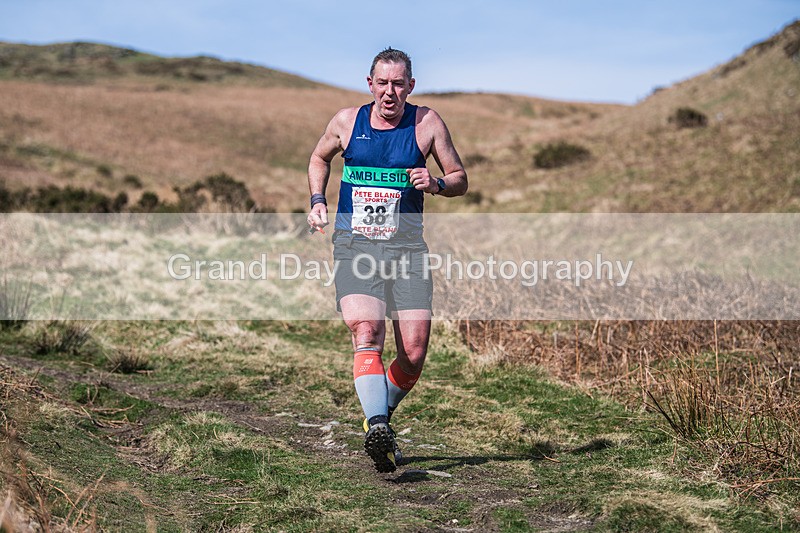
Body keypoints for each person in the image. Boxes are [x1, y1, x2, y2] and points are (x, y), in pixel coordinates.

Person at [306, 48, 467, 473]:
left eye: (398, 84)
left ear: (410, 86)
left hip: (407, 250)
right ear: (370, 84)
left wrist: (435, 183)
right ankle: (378, 424)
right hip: (355, 246)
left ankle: (380, 415)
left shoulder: (427, 123)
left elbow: (460, 179)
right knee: (368, 330)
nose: (390, 92)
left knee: (413, 353)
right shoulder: (347, 122)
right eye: (382, 83)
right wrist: (318, 199)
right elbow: (319, 157)